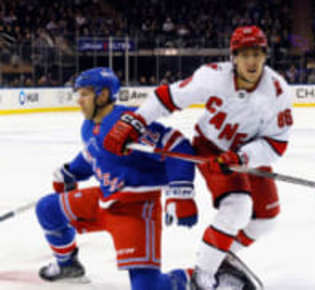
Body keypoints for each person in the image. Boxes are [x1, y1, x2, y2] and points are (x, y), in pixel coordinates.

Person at [102, 25, 293, 290]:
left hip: (246, 154)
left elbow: (276, 143)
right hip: (210, 149)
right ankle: (202, 278)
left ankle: (221, 257)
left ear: (265, 56)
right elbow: (167, 98)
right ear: (234, 57)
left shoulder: (279, 93)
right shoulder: (213, 77)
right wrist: (137, 121)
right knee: (237, 207)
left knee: (265, 220)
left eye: (257, 54)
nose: (251, 61)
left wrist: (243, 157)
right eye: (245, 54)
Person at [35, 67, 198, 290]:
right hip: (104, 200)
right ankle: (67, 264)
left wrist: (181, 192)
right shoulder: (88, 126)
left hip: (137, 211)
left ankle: (195, 278)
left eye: (84, 94)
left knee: (146, 287)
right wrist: (70, 172)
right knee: (47, 209)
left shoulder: (127, 120)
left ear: (102, 95)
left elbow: (176, 145)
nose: (79, 101)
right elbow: (93, 154)